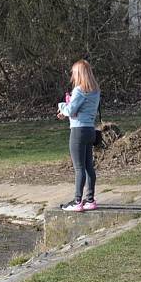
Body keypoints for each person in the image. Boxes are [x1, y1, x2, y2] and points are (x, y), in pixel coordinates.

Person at [57, 59, 101, 211]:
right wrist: (69, 111)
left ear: (79, 74)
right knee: (89, 166)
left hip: (78, 131)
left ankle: (77, 202)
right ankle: (90, 200)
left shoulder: (79, 90)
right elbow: (80, 110)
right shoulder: (95, 90)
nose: (73, 76)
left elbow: (70, 110)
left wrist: (62, 106)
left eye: (74, 73)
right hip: (90, 130)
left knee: (79, 168)